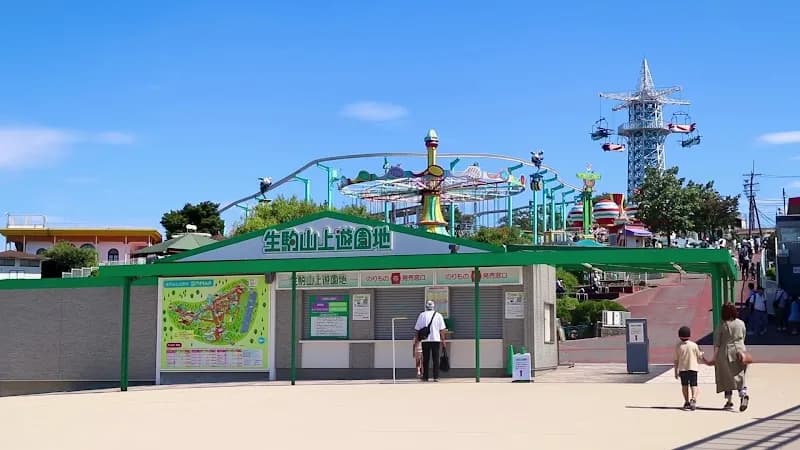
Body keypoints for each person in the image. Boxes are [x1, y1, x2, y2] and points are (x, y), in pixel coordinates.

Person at [707, 303, 750, 412]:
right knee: (740, 374)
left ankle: (729, 401)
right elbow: (743, 336)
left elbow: (717, 343)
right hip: (741, 351)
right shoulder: (741, 323)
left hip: (726, 352)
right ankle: (743, 394)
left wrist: (714, 357)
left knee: (726, 376)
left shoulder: (723, 325)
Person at [674, 326, 708, 411]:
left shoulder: (678, 346)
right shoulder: (694, 345)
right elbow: (699, 356)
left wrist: (676, 371)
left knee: (684, 385)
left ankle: (686, 402)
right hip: (693, 368)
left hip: (682, 369)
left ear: (679, 336)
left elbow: (676, 360)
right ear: (689, 335)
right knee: (694, 385)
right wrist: (702, 354)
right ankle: (693, 398)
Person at [413, 300, 447, 382]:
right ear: (433, 306)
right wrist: (443, 341)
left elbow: (417, 329)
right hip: (436, 340)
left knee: (425, 359)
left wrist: (417, 340)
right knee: (435, 359)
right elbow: (442, 329)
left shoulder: (422, 315)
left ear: (426, 306)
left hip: (425, 340)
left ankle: (425, 377)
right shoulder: (438, 315)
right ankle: (436, 377)